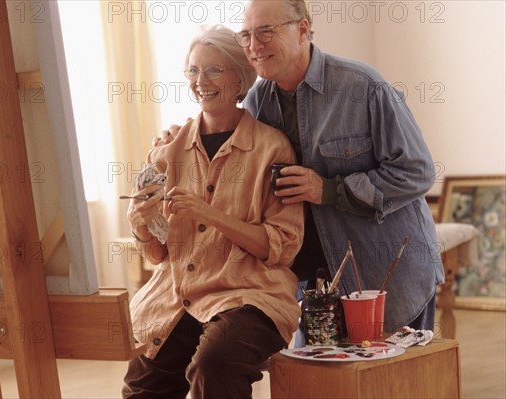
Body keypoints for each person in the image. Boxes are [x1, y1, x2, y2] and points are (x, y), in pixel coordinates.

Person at [159, 0, 445, 341]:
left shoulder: (364, 87)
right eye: (246, 34)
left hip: (383, 275)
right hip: (308, 283)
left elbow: (416, 171)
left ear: (303, 29)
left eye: (265, 32)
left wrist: (329, 189)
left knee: (396, 387)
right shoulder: (255, 102)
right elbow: (219, 139)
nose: (253, 45)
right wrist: (174, 137)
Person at [122, 24, 303, 399]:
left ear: (241, 77)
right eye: (193, 70)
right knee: (142, 383)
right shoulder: (166, 151)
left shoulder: (273, 149)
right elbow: (158, 254)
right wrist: (141, 227)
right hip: (177, 295)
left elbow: (281, 248)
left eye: (213, 70)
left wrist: (210, 214)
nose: (200, 80)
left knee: (214, 363)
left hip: (250, 294)